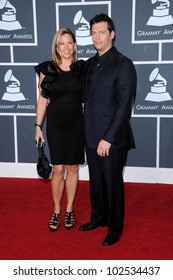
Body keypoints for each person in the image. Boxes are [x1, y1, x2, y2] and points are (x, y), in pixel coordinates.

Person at [78, 14, 137, 246]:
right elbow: (83, 95)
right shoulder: (90, 64)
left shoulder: (123, 64)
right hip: (91, 135)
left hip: (112, 139)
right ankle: (99, 217)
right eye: (93, 33)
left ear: (112, 34)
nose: (97, 37)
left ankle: (115, 228)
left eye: (102, 32)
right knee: (96, 182)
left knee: (112, 184)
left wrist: (108, 138)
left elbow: (124, 106)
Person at [34, 28, 85, 231]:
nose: (66, 47)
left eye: (69, 43)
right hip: (55, 125)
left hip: (76, 124)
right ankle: (56, 209)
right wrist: (38, 126)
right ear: (56, 46)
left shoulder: (82, 68)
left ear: (74, 45)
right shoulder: (48, 69)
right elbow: (42, 100)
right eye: (62, 43)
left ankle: (70, 209)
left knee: (73, 168)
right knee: (58, 169)